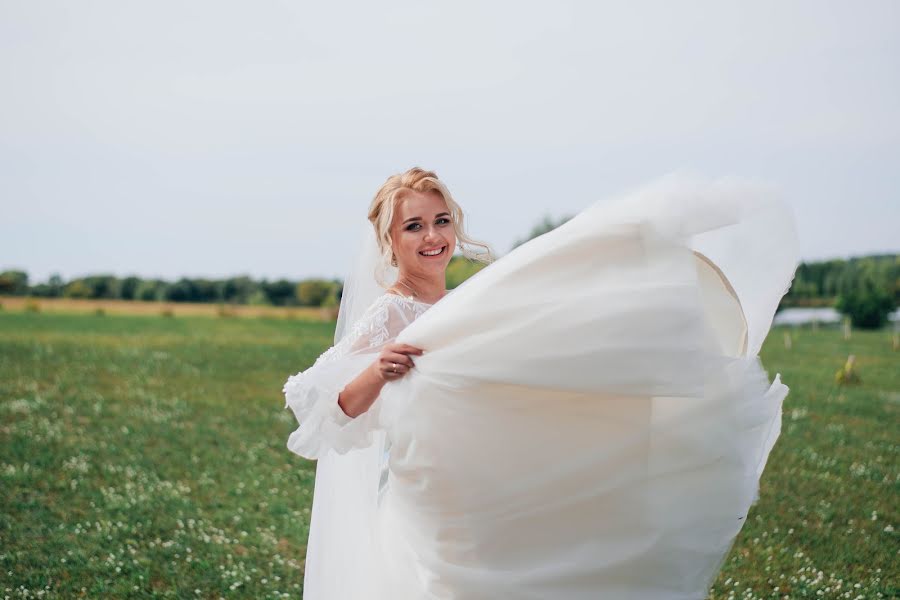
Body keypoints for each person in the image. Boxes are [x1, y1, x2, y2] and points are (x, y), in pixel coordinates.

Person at [284, 169, 800, 599]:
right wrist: (378, 368)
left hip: (484, 482)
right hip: (433, 492)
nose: (432, 236)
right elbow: (328, 406)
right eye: (414, 226)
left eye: (441, 221)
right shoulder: (390, 311)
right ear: (390, 241)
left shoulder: (460, 308)